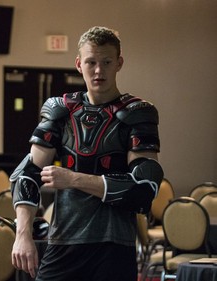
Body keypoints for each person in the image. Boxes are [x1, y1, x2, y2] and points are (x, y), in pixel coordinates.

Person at [10, 26, 163, 281]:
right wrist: (22, 234)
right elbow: (28, 174)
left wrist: (72, 179)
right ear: (79, 64)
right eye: (91, 62)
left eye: (106, 62)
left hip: (114, 245)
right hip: (63, 240)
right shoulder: (60, 110)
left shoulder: (138, 113)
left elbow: (144, 188)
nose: (99, 71)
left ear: (119, 63)